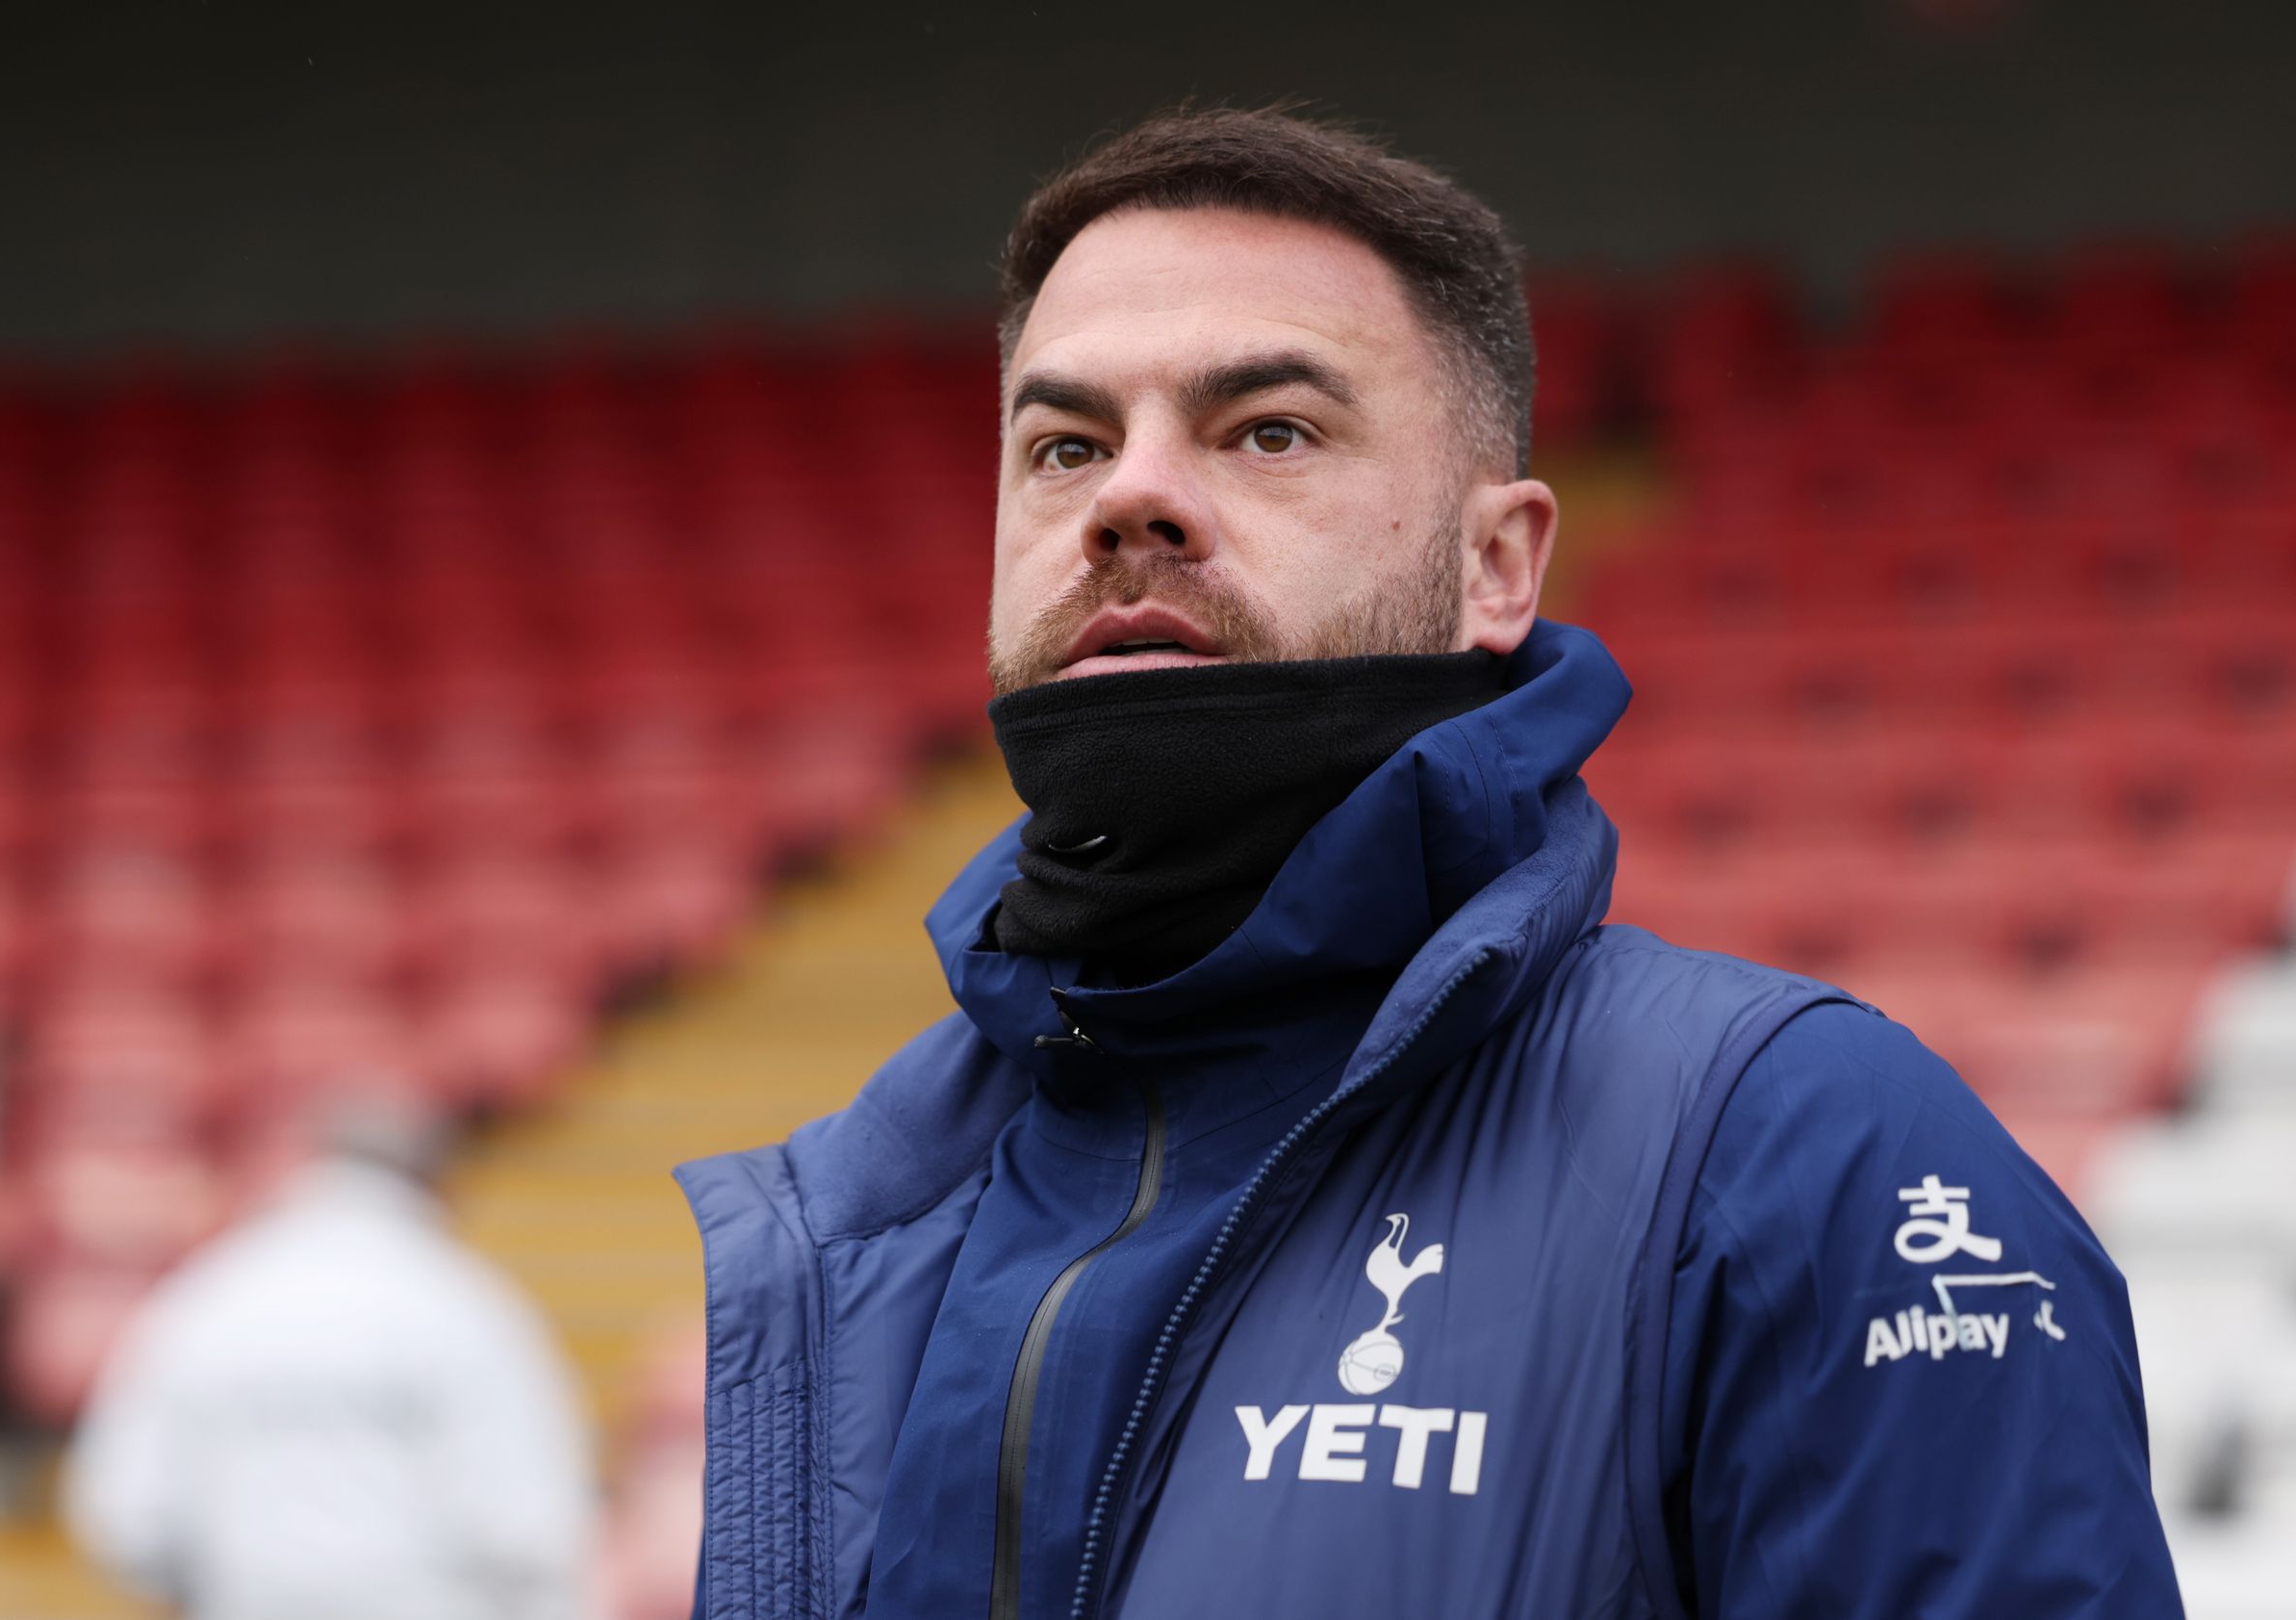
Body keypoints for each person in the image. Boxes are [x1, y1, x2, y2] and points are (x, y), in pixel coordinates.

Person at [677, 109, 2182, 1618]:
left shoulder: (1798, 1145)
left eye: (1269, 429)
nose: (1128, 494)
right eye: (1065, 445)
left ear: (1498, 563)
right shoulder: (868, 1201)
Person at [64, 1095, 595, 1620]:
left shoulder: (212, 1295)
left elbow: (130, 1510)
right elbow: (525, 1520)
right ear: (434, 1177)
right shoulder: (460, 1303)